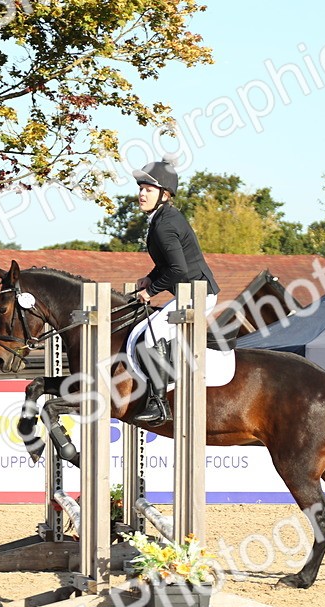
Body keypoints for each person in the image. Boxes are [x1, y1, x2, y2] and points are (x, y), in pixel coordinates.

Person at [129, 158, 220, 425]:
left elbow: (178, 270)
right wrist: (151, 277)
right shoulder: (161, 218)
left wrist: (152, 291)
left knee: (152, 335)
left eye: (148, 189)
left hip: (197, 294)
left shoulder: (165, 224)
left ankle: (159, 405)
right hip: (189, 292)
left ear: (164, 194)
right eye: (141, 189)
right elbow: (168, 264)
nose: (142, 194)